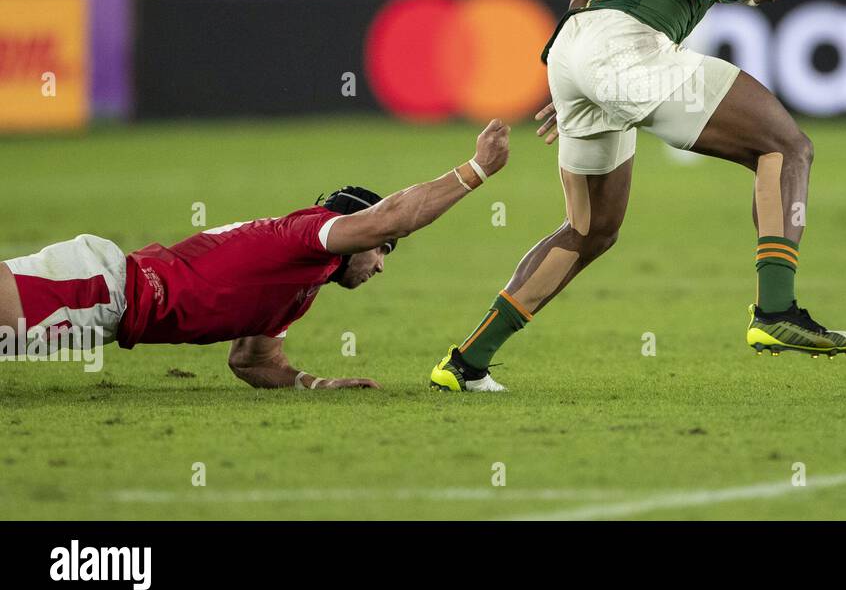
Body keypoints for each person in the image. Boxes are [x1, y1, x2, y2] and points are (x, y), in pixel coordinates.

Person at [430, 0, 846, 394]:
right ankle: (776, 311)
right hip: (628, 47)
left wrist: (576, 80)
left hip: (582, 48)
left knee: (591, 229)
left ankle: (466, 363)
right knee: (786, 146)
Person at [1, 121, 510, 389]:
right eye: (381, 249)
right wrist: (476, 171)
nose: (381, 262)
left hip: (108, 318)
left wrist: (315, 384)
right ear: (353, 231)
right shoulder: (307, 235)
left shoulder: (305, 284)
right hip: (99, 287)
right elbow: (394, 215)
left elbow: (252, 361)